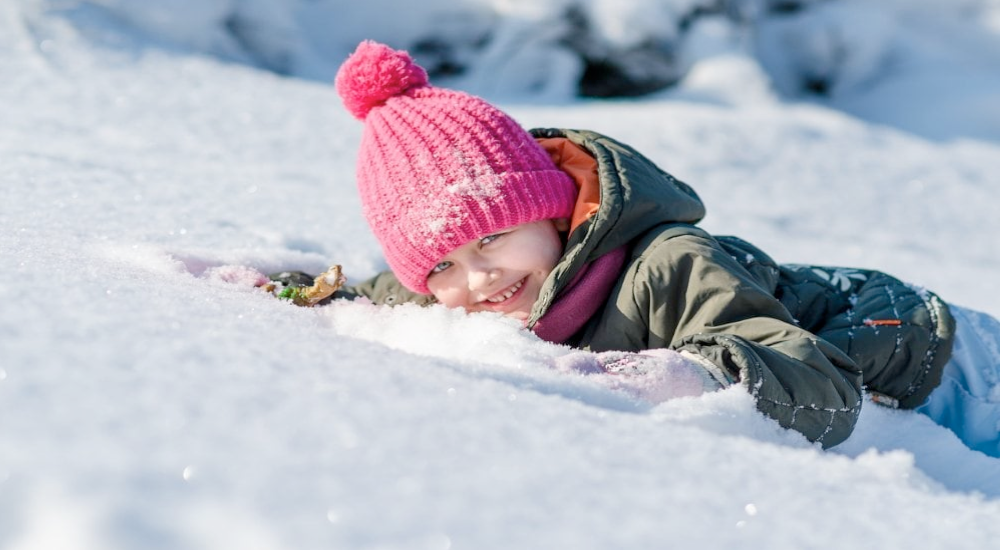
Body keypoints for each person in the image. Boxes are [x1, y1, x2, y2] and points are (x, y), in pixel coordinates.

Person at [273, 40, 1000, 456]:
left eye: (493, 236)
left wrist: (691, 378)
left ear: (555, 214)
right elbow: (384, 294)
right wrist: (306, 292)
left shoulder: (667, 264)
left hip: (935, 358)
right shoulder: (456, 286)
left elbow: (821, 388)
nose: (477, 275)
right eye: (443, 263)